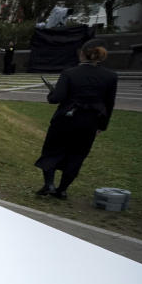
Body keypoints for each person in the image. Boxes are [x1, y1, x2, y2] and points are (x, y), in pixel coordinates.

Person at [34, 40, 117, 199]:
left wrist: (51, 94)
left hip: (65, 120)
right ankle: (62, 190)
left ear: (82, 53)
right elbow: (109, 103)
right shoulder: (110, 76)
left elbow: (56, 98)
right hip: (90, 122)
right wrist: (102, 125)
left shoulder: (69, 73)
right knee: (77, 155)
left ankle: (49, 184)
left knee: (52, 151)